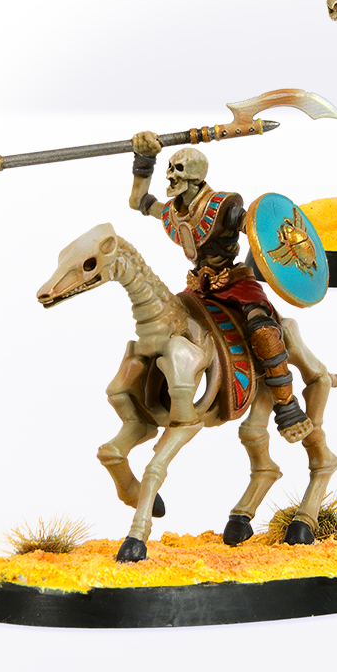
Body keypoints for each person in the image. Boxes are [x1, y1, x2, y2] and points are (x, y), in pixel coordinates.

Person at [129, 133, 312, 442]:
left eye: (178, 170)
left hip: (234, 283)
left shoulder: (223, 208)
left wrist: (280, 235)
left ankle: (287, 405)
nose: (170, 176)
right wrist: (144, 159)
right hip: (198, 286)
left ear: (197, 178)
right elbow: (138, 201)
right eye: (169, 169)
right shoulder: (173, 211)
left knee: (263, 330)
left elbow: (258, 229)